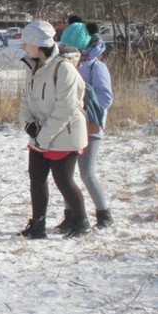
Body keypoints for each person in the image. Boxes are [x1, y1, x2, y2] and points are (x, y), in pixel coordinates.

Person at [18, 20, 91, 239]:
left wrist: (43, 136)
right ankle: (37, 223)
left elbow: (65, 109)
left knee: (63, 181)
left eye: (26, 43)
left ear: (38, 44)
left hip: (65, 135)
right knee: (36, 178)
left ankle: (82, 222)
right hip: (40, 135)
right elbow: (25, 100)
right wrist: (29, 125)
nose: (24, 47)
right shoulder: (34, 67)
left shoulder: (64, 68)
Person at [60, 21, 115, 229]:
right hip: (70, 126)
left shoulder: (96, 67)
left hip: (91, 127)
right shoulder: (68, 64)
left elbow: (105, 97)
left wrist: (84, 104)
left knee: (86, 172)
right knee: (65, 174)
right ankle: (71, 216)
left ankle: (103, 213)